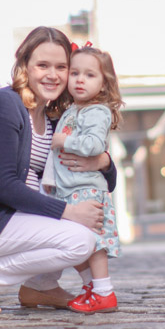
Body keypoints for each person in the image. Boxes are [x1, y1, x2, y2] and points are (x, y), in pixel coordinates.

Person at [0, 26, 117, 318]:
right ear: (24, 65)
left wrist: (103, 162)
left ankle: (40, 287)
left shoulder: (54, 119)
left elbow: (105, 178)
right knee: (80, 239)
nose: (52, 75)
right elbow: (4, 187)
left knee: (69, 220)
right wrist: (69, 211)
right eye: (42, 65)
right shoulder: (4, 106)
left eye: (61, 67)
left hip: (4, 220)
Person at [46, 46, 123, 313]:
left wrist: (63, 139)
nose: (80, 79)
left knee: (94, 245)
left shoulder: (97, 111)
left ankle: (104, 291)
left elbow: (93, 145)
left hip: (87, 188)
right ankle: (92, 286)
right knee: (77, 243)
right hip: (69, 189)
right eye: (75, 73)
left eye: (90, 75)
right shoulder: (72, 109)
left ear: (104, 83)